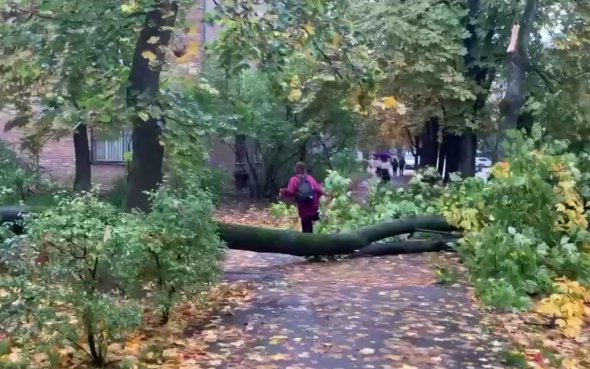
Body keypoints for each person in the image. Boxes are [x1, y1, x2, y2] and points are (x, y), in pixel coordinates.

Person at [279, 162, 324, 234]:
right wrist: (315, 201)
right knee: (314, 223)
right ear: (304, 169)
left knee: (306, 228)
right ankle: (320, 222)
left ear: (297, 169)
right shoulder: (310, 178)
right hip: (314, 207)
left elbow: (290, 192)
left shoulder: (294, 179)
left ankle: (308, 242)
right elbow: (319, 191)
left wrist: (283, 191)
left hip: (304, 208)